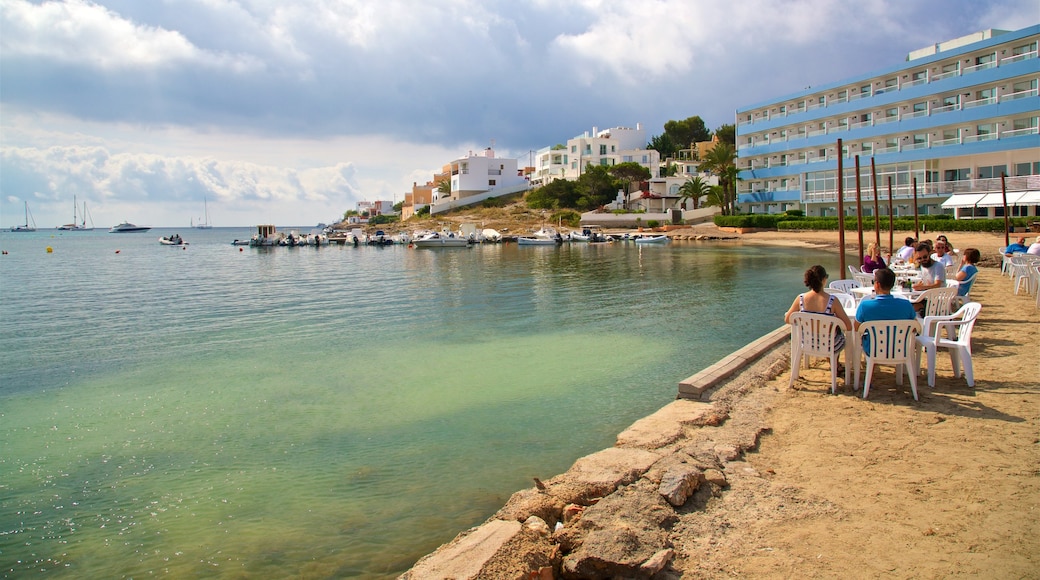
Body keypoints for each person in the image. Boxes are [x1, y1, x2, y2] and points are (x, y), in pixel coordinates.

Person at [784, 265, 852, 355]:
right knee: (835, 333)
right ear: (824, 280)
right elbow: (848, 326)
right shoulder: (832, 301)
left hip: (807, 343)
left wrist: (803, 321)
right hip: (829, 345)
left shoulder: (800, 299)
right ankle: (835, 363)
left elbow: (788, 319)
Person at [855, 267, 917, 355]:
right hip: (899, 350)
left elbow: (857, 328)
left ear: (877, 284)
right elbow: (915, 327)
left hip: (873, 350)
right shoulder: (906, 305)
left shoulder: (864, 306)